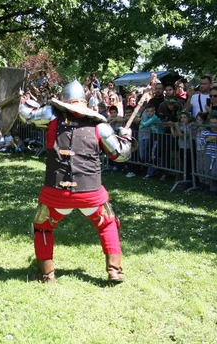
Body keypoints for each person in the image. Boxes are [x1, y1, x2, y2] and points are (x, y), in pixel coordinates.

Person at [19, 80, 134, 283]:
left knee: (43, 226)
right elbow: (120, 155)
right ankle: (114, 270)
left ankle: (47, 274)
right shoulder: (101, 126)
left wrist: (20, 101)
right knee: (107, 224)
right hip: (91, 194)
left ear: (64, 101)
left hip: (56, 194)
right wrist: (125, 138)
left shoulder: (52, 117)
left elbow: (25, 115)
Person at [199, 113, 217, 196]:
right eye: (211, 122)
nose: (212, 124)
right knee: (208, 172)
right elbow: (201, 142)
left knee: (215, 173)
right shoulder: (206, 132)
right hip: (208, 154)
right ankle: (210, 188)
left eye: (215, 123)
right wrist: (208, 139)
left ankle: (215, 188)